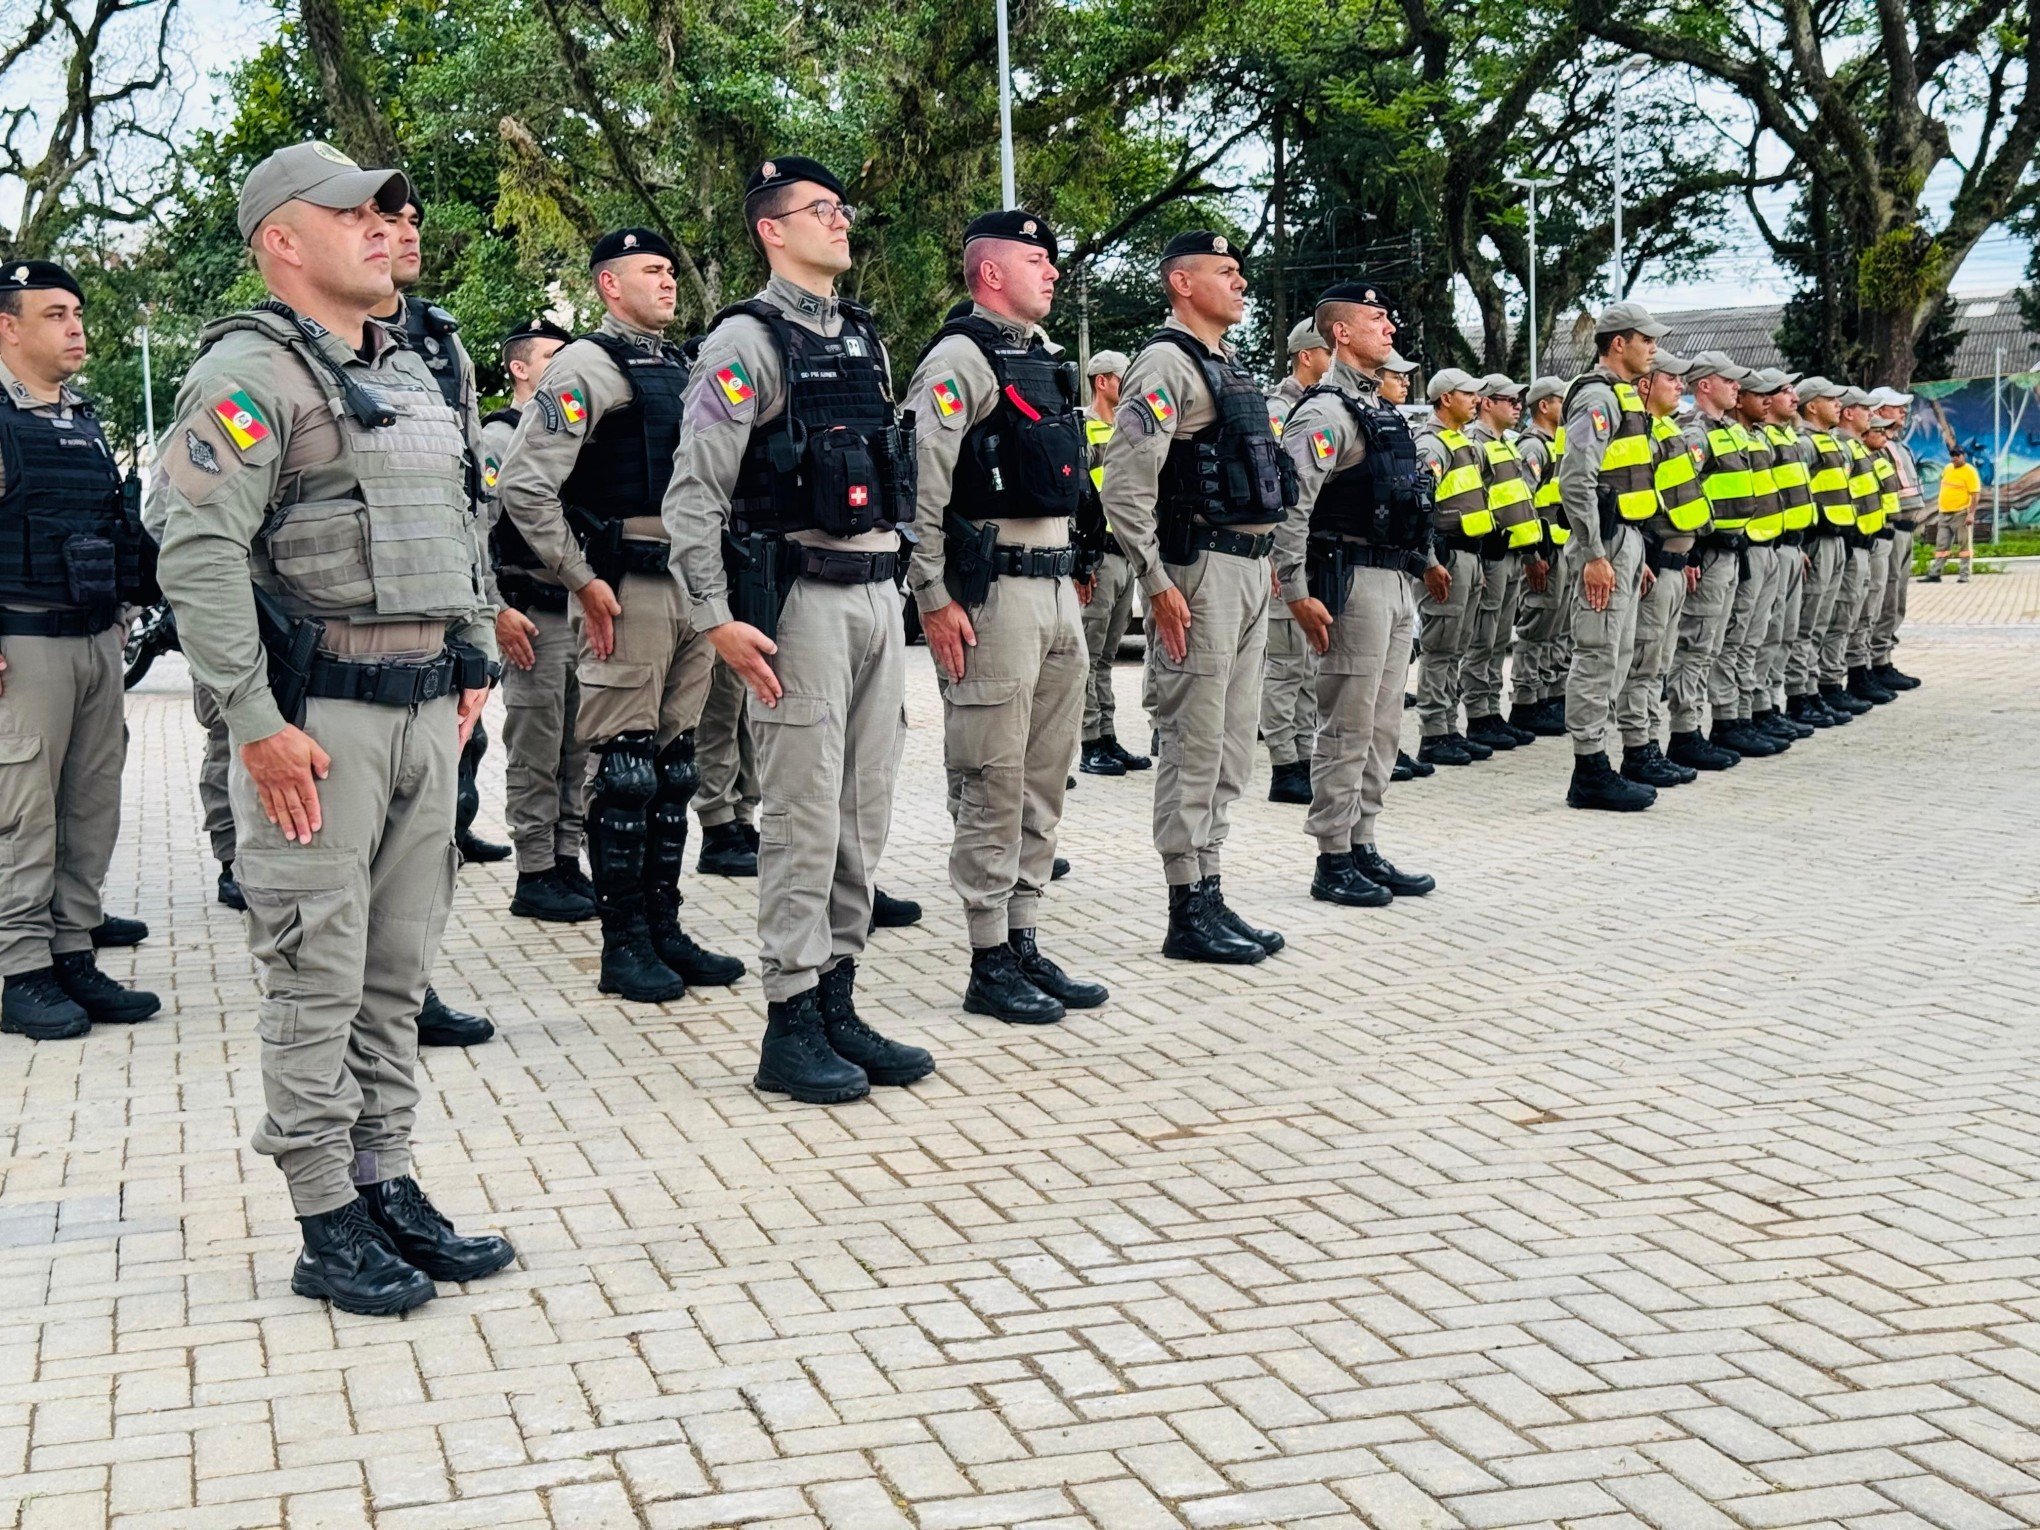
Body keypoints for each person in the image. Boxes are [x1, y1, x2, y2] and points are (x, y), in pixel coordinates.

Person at [146, 142, 514, 1314]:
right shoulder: (251, 377)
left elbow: (453, 527)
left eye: (380, 208)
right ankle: (323, 1214)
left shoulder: (403, 369)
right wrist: (252, 724)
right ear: (282, 241)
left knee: (395, 975)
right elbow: (197, 555)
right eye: (347, 210)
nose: (378, 225)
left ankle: (385, 1178)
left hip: (419, 716)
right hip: (320, 728)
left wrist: (466, 656)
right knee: (317, 973)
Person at [662, 154, 935, 1104]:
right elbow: (693, 494)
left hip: (873, 597)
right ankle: (789, 1020)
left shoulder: (862, 337)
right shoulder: (743, 341)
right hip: (799, 605)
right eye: (822, 210)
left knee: (863, 813)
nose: (841, 222)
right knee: (805, 820)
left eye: (843, 209)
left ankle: (840, 999)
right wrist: (714, 619)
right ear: (771, 230)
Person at [494, 228, 746, 1004]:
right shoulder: (586, 367)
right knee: (628, 769)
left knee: (675, 768)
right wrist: (582, 578)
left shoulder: (687, 366)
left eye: (672, 269)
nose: (669, 282)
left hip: (694, 586)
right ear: (608, 285)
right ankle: (624, 942)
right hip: (627, 588)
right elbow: (525, 486)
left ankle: (665, 927)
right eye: (651, 271)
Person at [904, 209, 1107, 1024]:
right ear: (990, 272)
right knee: (992, 776)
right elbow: (922, 480)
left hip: (1057, 588)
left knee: (1043, 777)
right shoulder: (961, 358)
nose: (1052, 271)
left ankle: (1025, 939)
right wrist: (933, 594)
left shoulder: (1044, 359)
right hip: (994, 594)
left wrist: (1084, 557)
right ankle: (988, 957)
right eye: (1036, 259)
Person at [1097, 230, 1294, 964]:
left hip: (1244, 567)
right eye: (1225, 271)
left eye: (1242, 270)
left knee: (1232, 741)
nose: (1240, 282)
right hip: (1198, 573)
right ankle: (1186, 906)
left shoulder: (1226, 365)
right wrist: (1156, 580)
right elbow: (1126, 486)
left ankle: (1212, 889)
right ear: (1181, 283)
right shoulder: (1164, 364)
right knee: (1193, 738)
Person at [0, 259, 162, 1040]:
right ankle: (17, 969)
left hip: (96, 637)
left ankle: (71, 951)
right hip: (22, 641)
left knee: (89, 807)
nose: (76, 328)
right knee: (21, 814)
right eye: (56, 313)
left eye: (77, 313)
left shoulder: (81, 416)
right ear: (8, 326)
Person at [370, 194, 502, 1049]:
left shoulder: (440, 341)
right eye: (383, 221)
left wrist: (480, 616)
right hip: (346, 627)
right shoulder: (284, 348)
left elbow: (467, 490)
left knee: (432, 826)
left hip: (442, 604)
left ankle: (409, 987)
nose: (406, 233)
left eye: (415, 217)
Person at [1273, 280, 1438, 908]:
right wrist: (1295, 587)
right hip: (1352, 582)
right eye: (1377, 318)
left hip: (1393, 579)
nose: (1390, 327)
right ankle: (1332, 854)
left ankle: (1364, 840)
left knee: (1383, 723)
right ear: (1340, 332)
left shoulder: (1382, 409)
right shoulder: (1323, 412)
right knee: (1346, 723)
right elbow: (1294, 505)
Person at [480, 315, 596, 921]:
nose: (566, 366)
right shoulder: (497, 438)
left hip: (582, 611)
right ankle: (534, 870)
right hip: (531, 614)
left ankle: (567, 860)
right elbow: (476, 535)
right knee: (535, 747)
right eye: (553, 356)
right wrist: (495, 610)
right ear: (520, 368)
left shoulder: (576, 430)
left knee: (580, 747)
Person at [1557, 301, 1667, 811]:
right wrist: (1596, 553)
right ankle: (1589, 769)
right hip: (1603, 542)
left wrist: (1632, 550)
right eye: (1646, 340)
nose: (1653, 348)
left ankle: (1602, 762)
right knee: (1598, 652)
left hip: (1624, 540)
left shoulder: (1623, 398)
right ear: (1617, 343)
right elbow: (1576, 480)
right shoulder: (1597, 398)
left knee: (1619, 652)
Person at [1614, 350, 1703, 787]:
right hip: (1654, 564)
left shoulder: (1666, 431)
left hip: (1675, 564)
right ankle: (1638, 748)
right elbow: (1637, 507)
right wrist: (1647, 558)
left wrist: (1690, 556)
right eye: (1672, 379)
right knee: (1645, 661)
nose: (1681, 386)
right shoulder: (1641, 438)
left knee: (1659, 661)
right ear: (1646, 385)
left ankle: (1651, 741)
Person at [1664, 352, 1752, 771]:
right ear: (1704, 386)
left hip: (1732, 550)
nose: (1737, 387)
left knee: (1715, 644)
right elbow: (1684, 493)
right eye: (1728, 381)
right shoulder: (1696, 433)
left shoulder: (1729, 430)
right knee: (1695, 645)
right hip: (1709, 552)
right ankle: (1684, 733)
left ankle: (1711, 724)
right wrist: (1692, 551)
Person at [1260, 316, 1332, 802]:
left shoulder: (1322, 407)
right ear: (1306, 355)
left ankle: (1304, 754)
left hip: (1315, 550)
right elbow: (1273, 488)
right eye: (1326, 351)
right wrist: (1272, 557)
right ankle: (1284, 764)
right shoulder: (1279, 410)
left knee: (1309, 663)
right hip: (1284, 552)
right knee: (1285, 664)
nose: (1332, 361)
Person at [1709, 369, 1795, 757]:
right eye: (1758, 392)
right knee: (1735, 636)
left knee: (1758, 636)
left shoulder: (1750, 437)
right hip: (1738, 549)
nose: (1766, 398)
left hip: (1768, 545)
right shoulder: (1711, 435)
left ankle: (1748, 713)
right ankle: (1729, 720)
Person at [1075, 349, 1149, 776]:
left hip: (1125, 557)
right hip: (1098, 556)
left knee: (1105, 656)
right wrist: (1081, 563)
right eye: (1125, 379)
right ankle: (1089, 744)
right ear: (1102, 381)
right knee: (1087, 655)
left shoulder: (1128, 429)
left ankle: (1107, 736)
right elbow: (1078, 501)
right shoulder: (1082, 430)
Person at [1461, 373, 1543, 753]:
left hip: (1511, 553)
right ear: (1486, 403)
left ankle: (1491, 710)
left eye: (1518, 401)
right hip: (1490, 555)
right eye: (1508, 400)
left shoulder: (1507, 446)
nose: (1516, 407)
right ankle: (1478, 714)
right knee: (1483, 636)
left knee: (1498, 638)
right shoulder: (1474, 445)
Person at [1411, 368, 1486, 767]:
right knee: (1440, 649)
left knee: (1455, 647)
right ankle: (1433, 733)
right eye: (1468, 393)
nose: (1476, 400)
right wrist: (1431, 561)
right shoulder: (1432, 444)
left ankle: (1448, 726)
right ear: (1445, 399)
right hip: (1448, 558)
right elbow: (1420, 505)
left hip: (1466, 557)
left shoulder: (1460, 442)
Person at [1784, 378, 1862, 726]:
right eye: (1831, 400)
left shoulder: (1829, 442)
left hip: (1836, 540)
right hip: (1815, 542)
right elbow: (1792, 493)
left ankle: (1814, 689)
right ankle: (1799, 696)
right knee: (1806, 624)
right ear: (1812, 406)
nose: (1838, 406)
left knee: (1822, 623)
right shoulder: (1804, 443)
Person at [1508, 375, 1570, 738]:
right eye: (1562, 400)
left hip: (1560, 548)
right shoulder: (1533, 447)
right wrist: (1532, 553)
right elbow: (1523, 502)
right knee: (1538, 625)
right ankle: (1527, 698)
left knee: (1559, 626)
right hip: (1545, 551)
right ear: (1544, 405)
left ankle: (1551, 693)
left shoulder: (1556, 444)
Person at [1757, 375, 1818, 731]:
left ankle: (1772, 704)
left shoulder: (1787, 437)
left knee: (1785, 632)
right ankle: (1759, 708)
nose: (1792, 396)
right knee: (1766, 633)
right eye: (1784, 391)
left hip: (1790, 546)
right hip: (1770, 547)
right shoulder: (1764, 440)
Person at [1830, 389, 1889, 709]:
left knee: (1858, 614)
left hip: (1865, 542)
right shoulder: (1842, 446)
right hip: (1850, 543)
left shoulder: (1856, 446)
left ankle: (1853, 673)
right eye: (1864, 409)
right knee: (1842, 616)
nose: (1871, 414)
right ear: (1850, 414)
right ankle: (1835, 681)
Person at [1867, 388, 1922, 690]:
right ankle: (1875, 662)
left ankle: (1884, 657)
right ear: (1879, 409)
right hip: (1889, 529)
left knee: (1896, 600)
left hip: (1905, 530)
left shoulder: (1898, 445)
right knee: (1884, 599)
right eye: (1898, 407)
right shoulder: (1875, 445)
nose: (1903, 413)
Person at [1848, 410, 1902, 705]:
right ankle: (1847, 676)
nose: (1881, 431)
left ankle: (1865, 669)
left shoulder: (1870, 454)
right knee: (1850, 615)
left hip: (1878, 537)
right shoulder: (1847, 450)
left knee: (1870, 610)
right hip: (1853, 542)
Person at [1925, 444, 1979, 582]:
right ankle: (1935, 574)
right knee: (1941, 545)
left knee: (1964, 545)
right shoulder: (1947, 469)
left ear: (1963, 456)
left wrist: (1971, 514)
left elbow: (1975, 495)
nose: (1954, 458)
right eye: (1952, 455)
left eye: (1957, 455)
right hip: (1944, 514)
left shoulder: (1970, 472)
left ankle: (1964, 575)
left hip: (1960, 514)